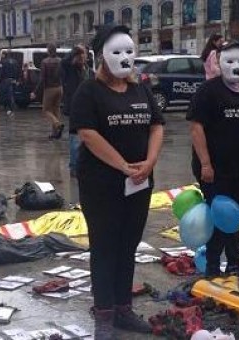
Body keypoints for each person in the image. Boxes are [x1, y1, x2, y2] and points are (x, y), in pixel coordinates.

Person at [71, 25, 165, 338]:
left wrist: (149, 162)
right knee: (105, 246)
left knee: (128, 245)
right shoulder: (89, 91)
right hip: (102, 184)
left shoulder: (141, 89)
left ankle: (124, 309)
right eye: (117, 52)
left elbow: (156, 126)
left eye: (129, 51)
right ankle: (104, 313)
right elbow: (87, 133)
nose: (125, 58)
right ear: (102, 57)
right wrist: (123, 166)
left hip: (139, 183)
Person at [189, 41, 239, 277]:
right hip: (216, 170)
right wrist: (205, 163)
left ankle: (234, 262)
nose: (236, 66)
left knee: (235, 217)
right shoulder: (209, 90)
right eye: (230, 61)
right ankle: (212, 265)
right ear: (219, 63)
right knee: (219, 217)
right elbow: (196, 128)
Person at [62, 44, 93, 178]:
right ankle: (74, 167)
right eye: (81, 54)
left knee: (88, 137)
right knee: (75, 138)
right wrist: (75, 50)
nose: (83, 56)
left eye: (84, 54)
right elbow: (64, 61)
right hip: (75, 106)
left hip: (89, 106)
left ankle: (85, 164)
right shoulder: (71, 69)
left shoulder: (89, 70)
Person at [32, 44, 64, 139]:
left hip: (50, 88)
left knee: (46, 110)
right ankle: (55, 133)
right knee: (56, 109)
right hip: (59, 88)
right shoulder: (60, 61)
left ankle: (58, 124)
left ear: (48, 51)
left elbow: (42, 79)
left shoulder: (45, 62)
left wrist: (35, 92)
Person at [0, 50, 19, 116]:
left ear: (3, 55)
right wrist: (16, 80)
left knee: (4, 95)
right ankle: (10, 109)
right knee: (12, 94)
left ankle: (8, 109)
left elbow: (0, 72)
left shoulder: (2, 62)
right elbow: (18, 71)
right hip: (13, 80)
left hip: (5, 81)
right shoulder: (15, 61)